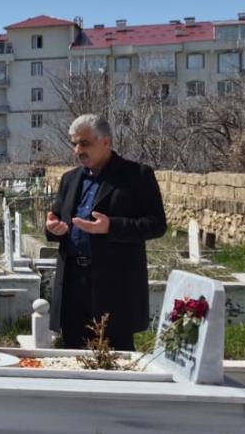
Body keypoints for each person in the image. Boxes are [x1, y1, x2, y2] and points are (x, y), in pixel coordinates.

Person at [45, 114, 166, 351]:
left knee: (115, 358)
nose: (78, 151)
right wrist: (53, 228)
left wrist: (111, 226)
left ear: (106, 142)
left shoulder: (136, 176)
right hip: (73, 283)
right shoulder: (70, 179)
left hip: (114, 286)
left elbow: (156, 225)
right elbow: (57, 220)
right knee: (72, 357)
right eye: (74, 144)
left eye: (84, 143)